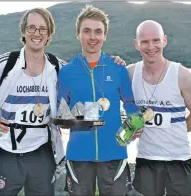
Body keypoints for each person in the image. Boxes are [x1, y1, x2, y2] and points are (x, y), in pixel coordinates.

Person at [0, 7, 126, 196]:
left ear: (49, 34)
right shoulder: (7, 63)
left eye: (42, 29)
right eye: (31, 28)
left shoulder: (57, 66)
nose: (37, 33)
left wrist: (114, 62)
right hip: (6, 147)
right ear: (23, 31)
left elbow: (84, 72)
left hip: (41, 149)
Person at [57, 5, 138, 196]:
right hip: (78, 155)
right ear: (78, 34)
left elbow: (130, 104)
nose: (92, 37)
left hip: (114, 153)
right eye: (86, 31)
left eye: (98, 31)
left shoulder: (118, 69)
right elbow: (61, 115)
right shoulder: (67, 72)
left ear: (105, 35)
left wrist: (135, 124)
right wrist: (80, 115)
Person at [127, 20, 191, 196]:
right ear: (136, 44)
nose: (150, 46)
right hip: (146, 160)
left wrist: (177, 131)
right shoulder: (130, 74)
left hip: (178, 160)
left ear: (164, 41)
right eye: (144, 41)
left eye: (156, 40)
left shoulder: (181, 74)